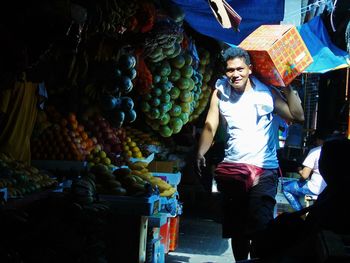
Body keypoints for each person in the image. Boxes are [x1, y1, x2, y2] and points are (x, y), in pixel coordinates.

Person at [195, 46, 305, 261]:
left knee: (261, 229)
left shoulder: (265, 93)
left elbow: (297, 116)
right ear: (225, 72)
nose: (235, 74)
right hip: (234, 169)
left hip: (264, 170)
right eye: (230, 70)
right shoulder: (220, 93)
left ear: (250, 69)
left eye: (240, 69)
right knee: (238, 231)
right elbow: (211, 123)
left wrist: (288, 87)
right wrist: (200, 152)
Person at [282, 130, 328, 211]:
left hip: (316, 188)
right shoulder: (338, 152)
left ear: (318, 140)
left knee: (286, 187)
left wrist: (299, 170)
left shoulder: (315, 151)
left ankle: (300, 213)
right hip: (331, 190)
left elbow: (304, 175)